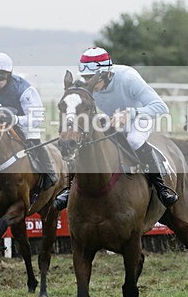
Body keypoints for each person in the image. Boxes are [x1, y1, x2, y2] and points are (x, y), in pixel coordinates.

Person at [65, 46, 179, 206]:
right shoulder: (86, 83)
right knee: (85, 139)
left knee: (134, 140)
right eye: (86, 77)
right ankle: (69, 187)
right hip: (111, 118)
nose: (88, 83)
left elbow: (161, 107)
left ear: (106, 73)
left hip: (140, 116)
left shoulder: (128, 79)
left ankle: (161, 188)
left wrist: (130, 114)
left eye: (92, 78)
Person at [0, 52, 58, 192]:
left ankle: (49, 173)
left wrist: (15, 119)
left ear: (9, 74)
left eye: (1, 76)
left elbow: (38, 118)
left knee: (33, 141)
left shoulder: (24, 89)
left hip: (22, 122)